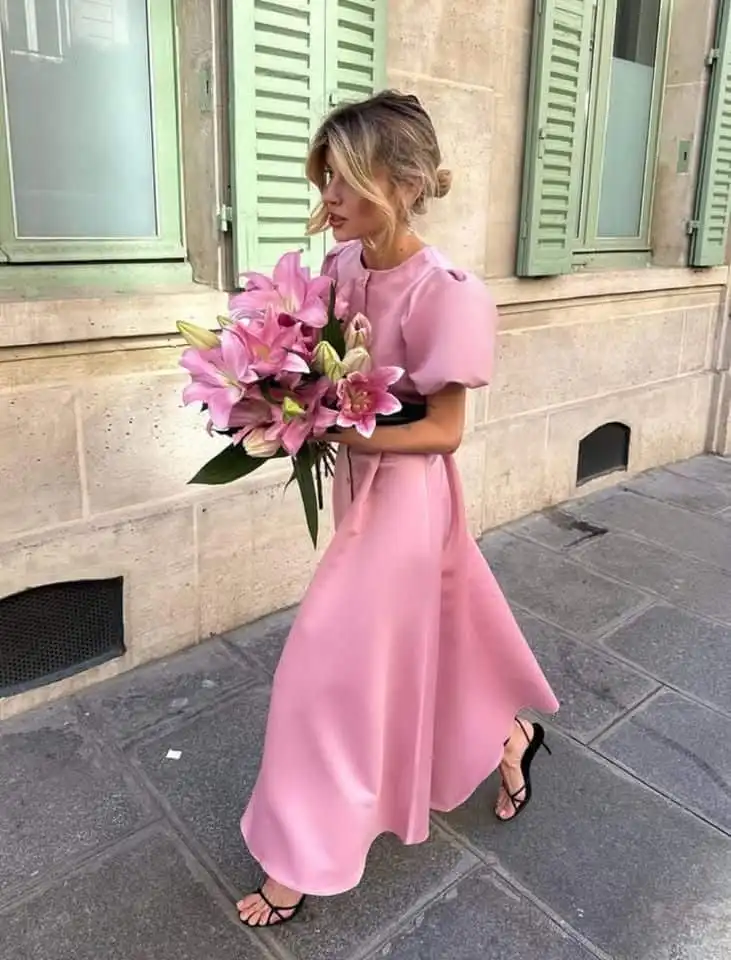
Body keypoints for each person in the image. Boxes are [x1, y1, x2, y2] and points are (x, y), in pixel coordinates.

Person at [236, 90, 559, 928]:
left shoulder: (446, 291)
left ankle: (297, 860)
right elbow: (315, 367)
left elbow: (445, 429)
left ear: (404, 181)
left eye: (342, 178)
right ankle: (506, 738)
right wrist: (279, 394)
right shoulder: (340, 270)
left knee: (321, 668)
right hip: (361, 488)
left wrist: (317, 422)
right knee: (418, 646)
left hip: (407, 500)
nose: (327, 197)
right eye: (324, 178)